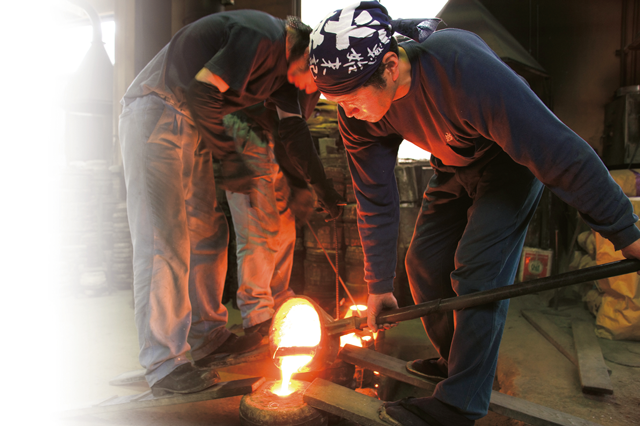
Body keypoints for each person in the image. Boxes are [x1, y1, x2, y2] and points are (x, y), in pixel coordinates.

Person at [307, 2, 640, 425]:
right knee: (423, 266)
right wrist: (376, 283)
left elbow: (559, 151)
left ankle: (458, 405)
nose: (346, 112)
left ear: (390, 65)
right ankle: (457, 365)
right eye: (336, 101)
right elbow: (374, 196)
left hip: (510, 166)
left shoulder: (460, 68)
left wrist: (625, 231)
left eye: (351, 99)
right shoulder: (357, 116)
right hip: (454, 166)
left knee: (477, 274)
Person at [119, 10, 342, 397]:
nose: (312, 91)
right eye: (315, 82)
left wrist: (319, 187)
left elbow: (292, 130)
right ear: (307, 55)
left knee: (209, 232)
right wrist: (232, 157)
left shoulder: (283, 72)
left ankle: (208, 334)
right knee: (164, 241)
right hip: (157, 108)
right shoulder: (260, 37)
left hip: (191, 122)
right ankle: (164, 363)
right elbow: (202, 91)